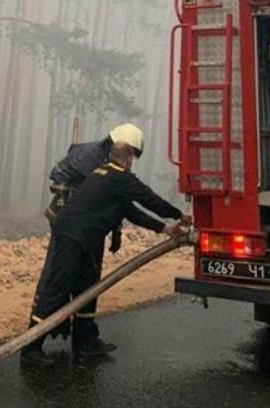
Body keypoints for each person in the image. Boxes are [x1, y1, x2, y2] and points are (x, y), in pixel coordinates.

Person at [23, 134, 188, 365]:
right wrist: (179, 214)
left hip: (83, 237)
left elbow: (131, 212)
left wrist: (165, 229)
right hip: (72, 236)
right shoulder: (119, 178)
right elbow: (148, 198)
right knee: (58, 288)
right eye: (133, 156)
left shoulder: (103, 175)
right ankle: (30, 348)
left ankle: (86, 343)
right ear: (128, 158)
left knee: (87, 287)